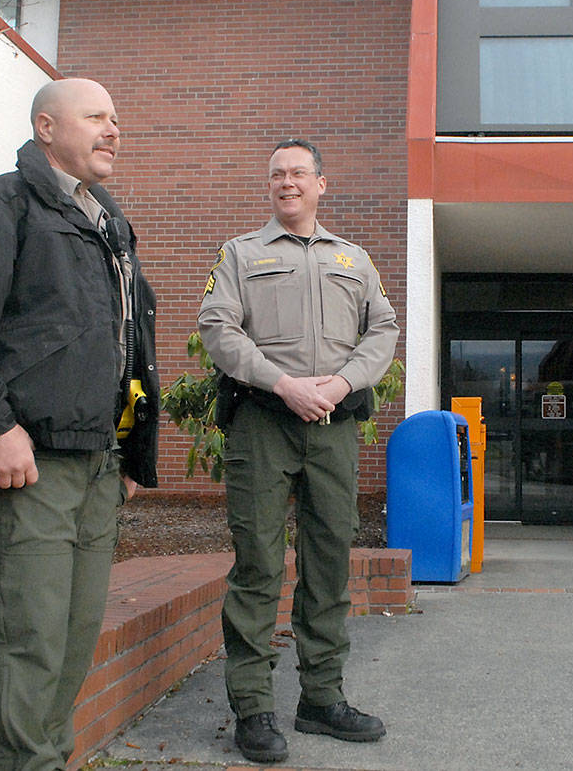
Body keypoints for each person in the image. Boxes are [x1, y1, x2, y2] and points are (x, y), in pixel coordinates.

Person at [0, 77, 159, 770]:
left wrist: (134, 452)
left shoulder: (105, 222)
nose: (115, 130)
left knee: (72, 638)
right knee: (28, 637)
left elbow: (129, 340)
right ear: (46, 127)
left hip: (95, 465)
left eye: (116, 118)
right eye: (97, 117)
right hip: (26, 464)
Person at [197, 138, 398, 763]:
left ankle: (321, 698)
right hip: (263, 420)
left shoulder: (353, 258)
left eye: (299, 173)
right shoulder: (240, 254)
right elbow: (217, 327)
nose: (288, 182)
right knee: (257, 564)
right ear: (270, 186)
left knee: (329, 561)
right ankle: (253, 709)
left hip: (334, 423)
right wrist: (282, 384)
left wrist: (340, 383)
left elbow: (383, 328)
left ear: (321, 184)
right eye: (277, 174)